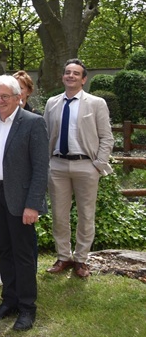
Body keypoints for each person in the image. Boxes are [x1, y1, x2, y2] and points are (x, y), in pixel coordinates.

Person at [0, 75, 49, 332]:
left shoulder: (33, 123)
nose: (0, 101)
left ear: (18, 97)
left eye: (5, 96)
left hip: (21, 200)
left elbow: (41, 168)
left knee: (22, 255)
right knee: (5, 252)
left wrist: (33, 205)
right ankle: (8, 301)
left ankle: (27, 307)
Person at [44, 58, 113, 279]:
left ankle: (82, 259)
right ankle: (64, 256)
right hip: (58, 165)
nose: (70, 76)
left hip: (86, 165)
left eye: (76, 73)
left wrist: (97, 165)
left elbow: (106, 137)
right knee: (59, 214)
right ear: (63, 76)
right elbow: (45, 136)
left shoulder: (96, 103)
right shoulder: (52, 103)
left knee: (86, 214)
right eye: (67, 72)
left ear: (83, 79)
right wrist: (46, 163)